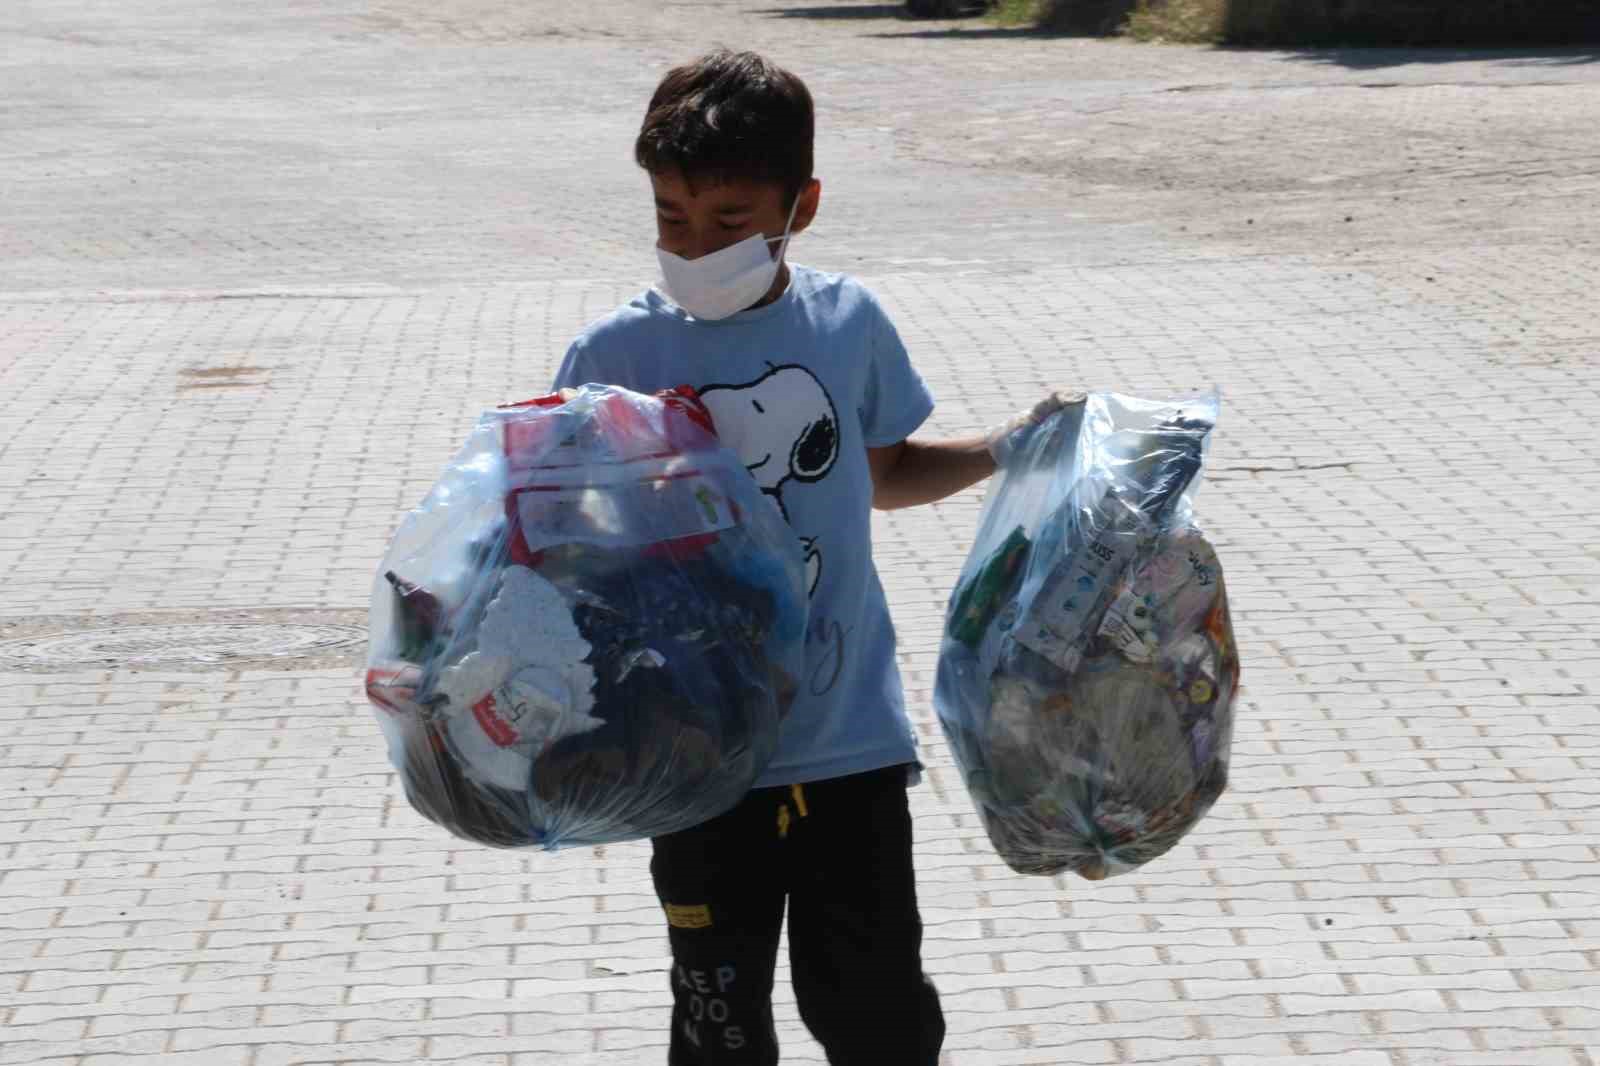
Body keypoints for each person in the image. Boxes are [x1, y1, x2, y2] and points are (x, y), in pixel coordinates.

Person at [550, 49, 1074, 1066]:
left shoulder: (846, 325)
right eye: (669, 216)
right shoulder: (611, 360)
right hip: (697, 759)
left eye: (728, 221)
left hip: (850, 749)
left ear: (803, 205)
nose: (694, 244)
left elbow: (882, 472)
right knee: (718, 1024)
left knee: (876, 1011)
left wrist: (1008, 445)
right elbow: (562, 543)